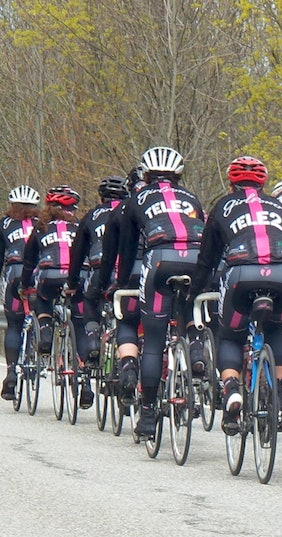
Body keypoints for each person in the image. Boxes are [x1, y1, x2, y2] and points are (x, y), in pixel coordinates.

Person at [192, 155, 282, 434]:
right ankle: (278, 397)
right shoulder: (278, 206)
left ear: (231, 184)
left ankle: (231, 389)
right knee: (277, 327)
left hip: (242, 274)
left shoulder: (222, 206)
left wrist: (195, 291)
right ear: (263, 184)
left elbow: (207, 259)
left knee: (231, 334)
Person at [112, 146, 206, 437]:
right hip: (197, 260)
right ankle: (196, 349)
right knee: (190, 313)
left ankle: (148, 415)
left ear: (146, 175)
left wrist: (122, 282)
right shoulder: (191, 197)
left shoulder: (137, 199)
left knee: (153, 341)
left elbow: (128, 248)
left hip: (160, 260)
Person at [87, 167, 146, 406]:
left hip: (127, 273)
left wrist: (106, 285)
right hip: (172, 270)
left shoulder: (118, 211)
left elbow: (109, 255)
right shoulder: (182, 204)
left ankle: (121, 360)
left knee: (126, 321)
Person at [68, 176, 129, 370]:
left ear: (101, 198)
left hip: (100, 269)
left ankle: (93, 338)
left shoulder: (91, 216)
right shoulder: (131, 210)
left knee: (90, 299)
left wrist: (72, 282)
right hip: (129, 270)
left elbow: (77, 253)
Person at [0, 186, 39, 399]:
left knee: (14, 325)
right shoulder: (43, 224)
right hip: (39, 274)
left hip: (14, 273)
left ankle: (11, 372)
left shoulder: (4, 224)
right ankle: (42, 350)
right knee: (43, 314)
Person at [19, 186, 81, 359]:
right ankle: (83, 358)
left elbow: (29, 261)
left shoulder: (41, 227)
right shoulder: (78, 226)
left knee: (43, 298)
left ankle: (45, 332)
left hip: (49, 276)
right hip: (76, 277)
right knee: (80, 311)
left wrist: (24, 285)